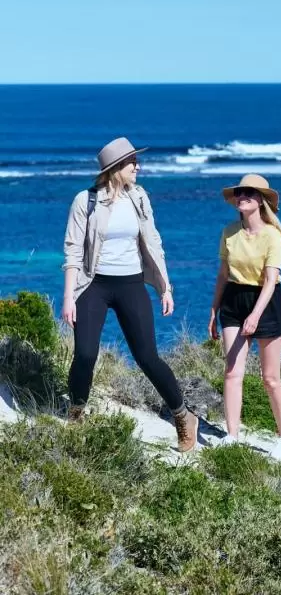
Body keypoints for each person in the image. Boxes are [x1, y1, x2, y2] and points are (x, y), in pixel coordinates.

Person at [62, 137, 197, 451]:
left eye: (136, 161)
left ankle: (183, 416)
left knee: (147, 356)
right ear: (115, 169)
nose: (138, 166)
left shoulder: (139, 198)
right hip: (93, 284)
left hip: (131, 283)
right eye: (131, 162)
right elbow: (72, 251)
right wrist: (69, 296)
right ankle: (76, 413)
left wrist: (165, 286)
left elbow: (153, 242)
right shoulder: (86, 200)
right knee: (84, 354)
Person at [208, 174, 281, 461]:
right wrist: (213, 310)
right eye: (240, 192)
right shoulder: (229, 232)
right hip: (233, 299)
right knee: (232, 373)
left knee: (270, 377)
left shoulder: (272, 235)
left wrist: (255, 315)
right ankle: (232, 435)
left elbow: (270, 281)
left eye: (249, 193)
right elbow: (222, 275)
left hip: (265, 302)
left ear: (260, 201)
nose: (242, 196)